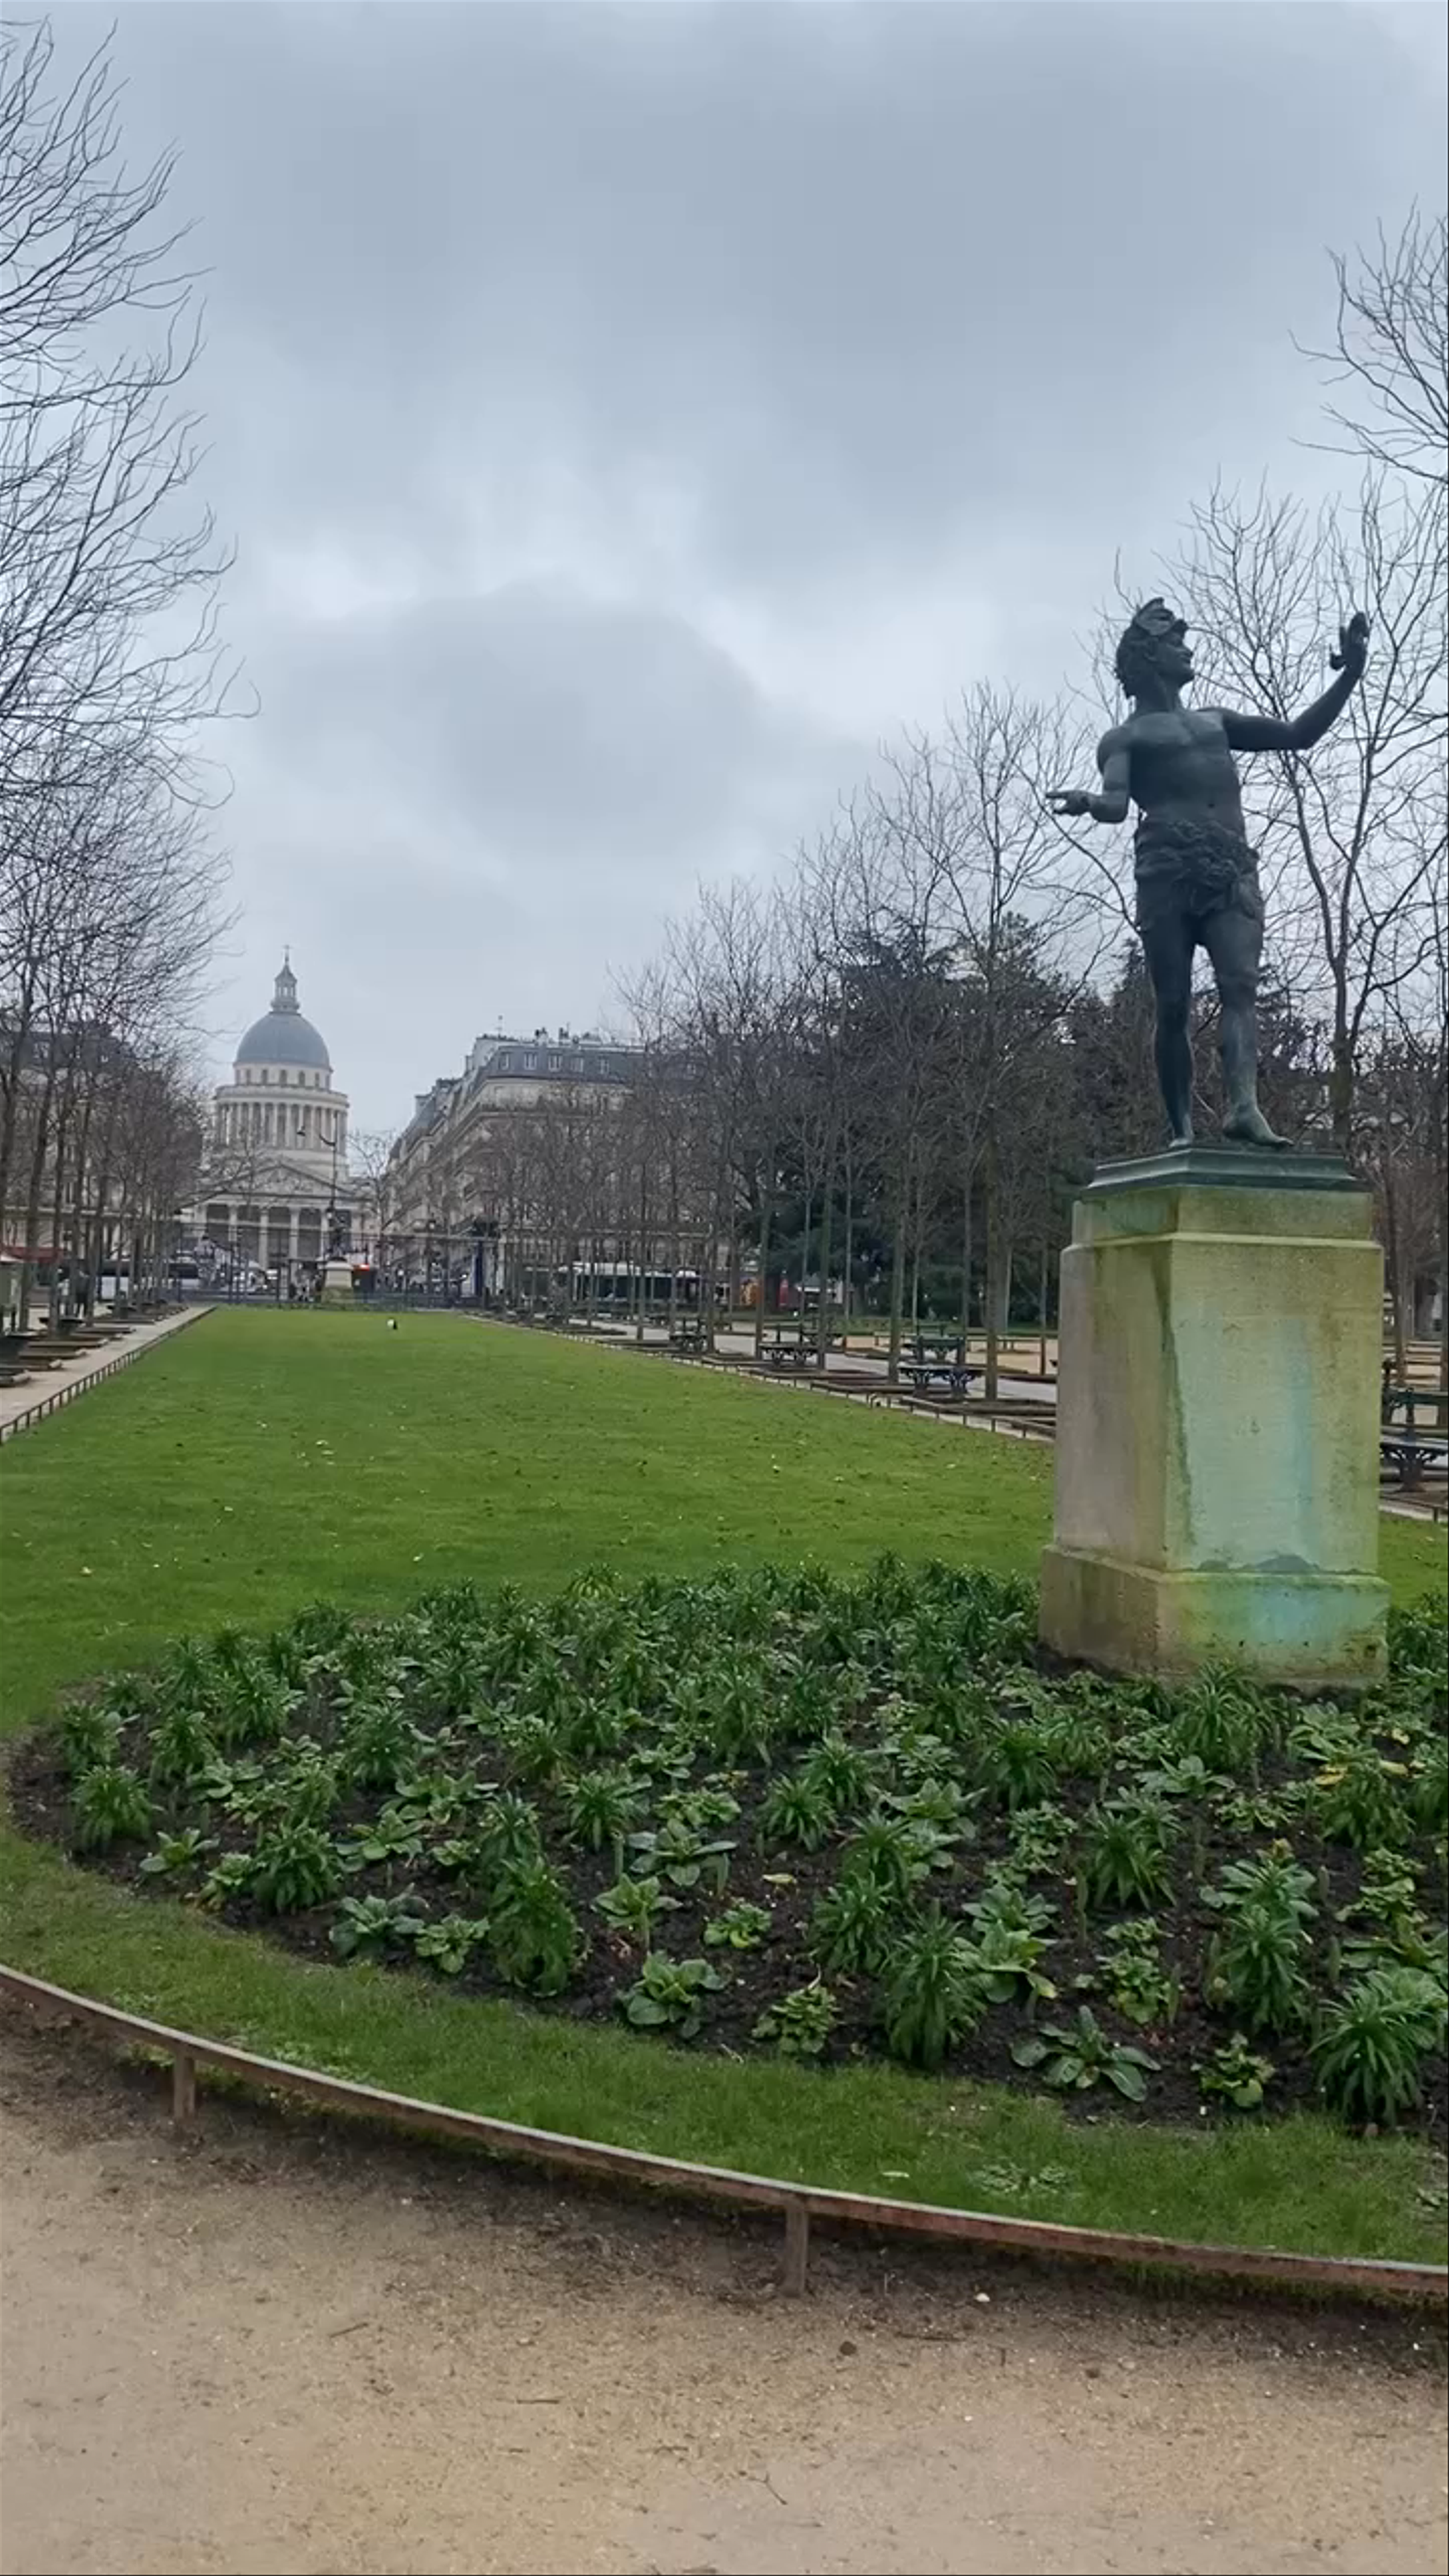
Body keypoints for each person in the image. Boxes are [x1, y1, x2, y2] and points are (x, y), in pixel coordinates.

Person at [1051, 600, 1369, 1147]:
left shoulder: (1216, 722)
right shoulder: (1126, 738)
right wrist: (1087, 801)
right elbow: (1116, 802)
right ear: (1149, 657)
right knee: (1172, 1002)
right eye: (1176, 642)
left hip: (1230, 867)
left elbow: (1298, 734)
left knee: (1239, 987)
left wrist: (1351, 677)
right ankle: (1181, 1128)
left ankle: (1244, 1106)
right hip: (1167, 868)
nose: (1188, 648)